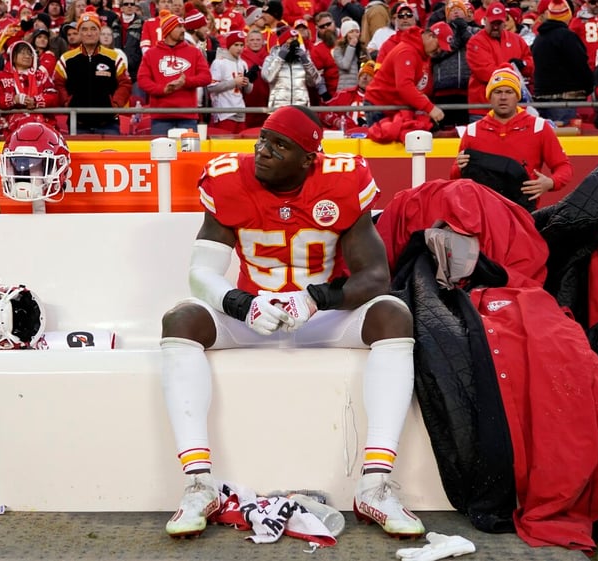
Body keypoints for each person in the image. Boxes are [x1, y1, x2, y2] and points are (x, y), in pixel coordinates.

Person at [158, 105, 425, 540]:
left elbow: (376, 277)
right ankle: (199, 483)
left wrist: (317, 299)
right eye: (264, 138)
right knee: (180, 319)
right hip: (254, 316)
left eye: (280, 146)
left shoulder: (342, 181)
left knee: (393, 315)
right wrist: (242, 304)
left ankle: (375, 485)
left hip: (320, 316)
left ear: (308, 160)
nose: (263, 150)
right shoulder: (228, 178)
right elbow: (199, 272)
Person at [451, 66, 573, 208]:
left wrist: (550, 183)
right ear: (489, 96)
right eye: (497, 92)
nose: (503, 97)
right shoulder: (472, 131)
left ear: (517, 96)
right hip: (484, 213)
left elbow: (564, 167)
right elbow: (456, 178)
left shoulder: (538, 127)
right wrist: (458, 168)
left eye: (509, 92)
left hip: (523, 212)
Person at [54, 7, 132, 134]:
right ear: (79, 33)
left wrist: (115, 104)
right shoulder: (66, 59)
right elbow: (58, 84)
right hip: (77, 124)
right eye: (84, 29)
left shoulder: (114, 57)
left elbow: (125, 83)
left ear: (99, 31)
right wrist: (67, 103)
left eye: (93, 29)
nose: (89, 33)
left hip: (109, 124)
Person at [136, 13, 210, 134]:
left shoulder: (194, 52)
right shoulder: (151, 54)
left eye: (183, 26)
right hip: (161, 116)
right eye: (178, 27)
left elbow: (206, 77)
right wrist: (163, 89)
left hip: (187, 116)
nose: (183, 30)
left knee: (188, 152)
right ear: (168, 30)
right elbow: (143, 80)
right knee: (160, 153)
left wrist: (186, 82)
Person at [363, 24, 449, 126]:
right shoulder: (407, 51)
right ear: (430, 36)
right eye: (438, 45)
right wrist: (429, 107)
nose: (438, 51)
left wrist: (421, 97)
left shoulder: (422, 53)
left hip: (391, 105)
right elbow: (404, 86)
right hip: (380, 105)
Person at [465, 1, 534, 122]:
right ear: (485, 20)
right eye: (492, 23)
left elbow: (531, 64)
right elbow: (485, 72)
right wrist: (512, 70)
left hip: (514, 108)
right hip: (483, 108)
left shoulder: (517, 40)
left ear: (505, 21)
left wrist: (523, 64)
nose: (495, 26)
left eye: (499, 22)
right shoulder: (475, 42)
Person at [531, 0, 594, 124]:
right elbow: (580, 65)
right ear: (568, 15)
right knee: (564, 139)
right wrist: (589, 86)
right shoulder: (568, 37)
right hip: (564, 100)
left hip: (541, 98)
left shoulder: (539, 39)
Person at [0, 40, 60, 139]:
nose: (27, 56)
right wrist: (13, 99)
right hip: (11, 130)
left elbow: (54, 96)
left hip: (44, 129)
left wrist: (36, 101)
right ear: (12, 56)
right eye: (22, 53)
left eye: (29, 53)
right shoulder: (0, 76)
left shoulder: (41, 75)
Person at [261, 26, 320, 109]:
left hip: (301, 107)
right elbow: (267, 77)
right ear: (284, 43)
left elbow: (315, 82)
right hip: (278, 108)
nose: (294, 42)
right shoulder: (271, 58)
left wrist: (306, 62)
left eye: (296, 39)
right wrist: (280, 58)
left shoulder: (304, 57)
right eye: (291, 39)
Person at [207, 30, 251, 133]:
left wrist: (247, 83)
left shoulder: (243, 63)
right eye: (236, 45)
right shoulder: (219, 62)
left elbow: (248, 91)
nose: (239, 48)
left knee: (240, 146)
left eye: (241, 45)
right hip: (224, 112)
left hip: (240, 110)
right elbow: (211, 87)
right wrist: (234, 82)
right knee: (225, 145)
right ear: (229, 45)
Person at [333, 19, 369, 92]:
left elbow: (369, 67)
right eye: (351, 32)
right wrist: (351, 46)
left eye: (357, 31)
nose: (355, 34)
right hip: (345, 89)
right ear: (345, 35)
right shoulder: (338, 50)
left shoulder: (363, 49)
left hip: (361, 89)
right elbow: (345, 65)